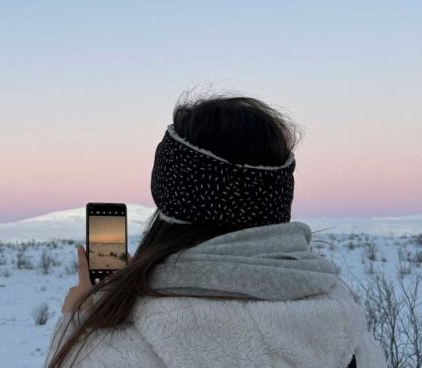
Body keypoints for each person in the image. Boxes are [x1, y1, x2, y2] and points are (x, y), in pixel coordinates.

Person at [43, 93, 388, 368]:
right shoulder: (347, 329)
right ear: (278, 199)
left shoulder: (117, 342)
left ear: (169, 193)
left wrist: (79, 322)